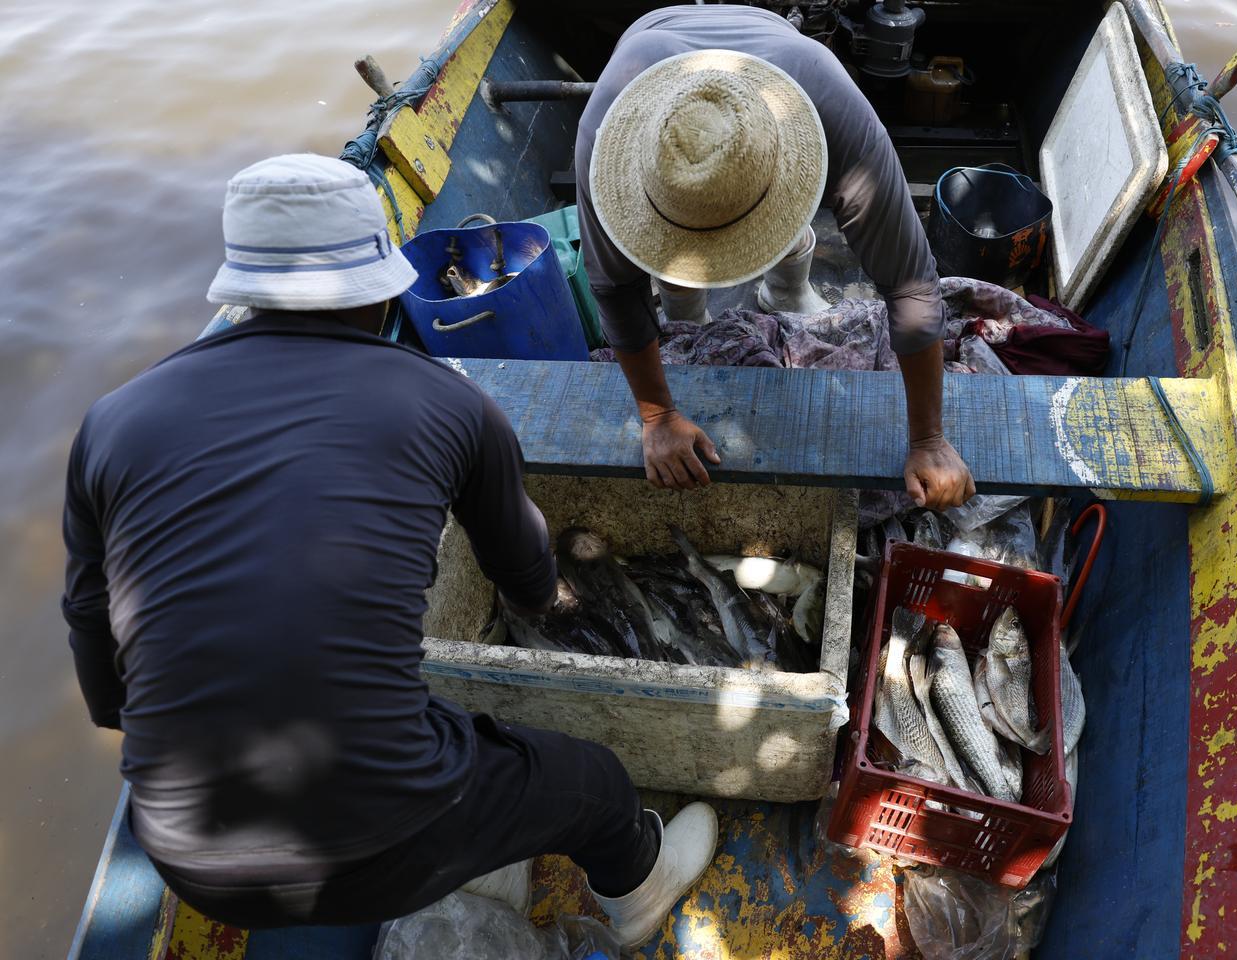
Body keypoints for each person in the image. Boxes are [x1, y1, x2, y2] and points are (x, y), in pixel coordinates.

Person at [60, 154, 716, 946]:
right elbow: (533, 586)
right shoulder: (451, 402)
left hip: (182, 853)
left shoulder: (111, 421)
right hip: (382, 840)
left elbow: (106, 691)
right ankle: (639, 892)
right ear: (380, 288)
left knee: (428, 719)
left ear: (238, 287)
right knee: (599, 783)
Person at [578, 4, 975, 508]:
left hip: (783, 58)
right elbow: (615, 290)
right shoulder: (603, 141)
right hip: (651, 38)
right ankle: (687, 311)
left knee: (761, 207)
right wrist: (657, 417)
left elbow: (911, 287)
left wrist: (929, 442)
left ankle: (785, 286)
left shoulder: (840, 119)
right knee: (679, 274)